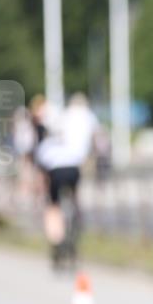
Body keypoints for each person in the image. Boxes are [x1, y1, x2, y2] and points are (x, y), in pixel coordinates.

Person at [34, 93, 100, 270]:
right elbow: (93, 140)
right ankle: (77, 220)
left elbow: (42, 174)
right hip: (73, 168)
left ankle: (56, 239)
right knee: (74, 196)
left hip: (55, 172)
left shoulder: (46, 145)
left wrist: (41, 191)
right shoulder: (74, 138)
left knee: (53, 207)